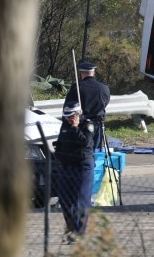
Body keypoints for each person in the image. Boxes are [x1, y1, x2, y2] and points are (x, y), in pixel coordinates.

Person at [54, 102, 95, 243]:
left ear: (78, 114)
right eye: (66, 117)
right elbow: (59, 143)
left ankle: (79, 233)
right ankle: (71, 229)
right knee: (64, 201)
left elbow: (86, 143)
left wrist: (76, 127)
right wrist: (58, 155)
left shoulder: (87, 125)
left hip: (82, 167)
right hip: (66, 166)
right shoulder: (64, 124)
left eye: (71, 116)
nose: (68, 119)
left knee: (80, 202)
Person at [64, 61, 110, 151]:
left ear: (81, 74)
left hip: (82, 125)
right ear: (93, 73)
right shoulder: (104, 88)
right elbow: (105, 103)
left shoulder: (77, 88)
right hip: (98, 124)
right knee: (95, 152)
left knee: (82, 151)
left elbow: (68, 106)